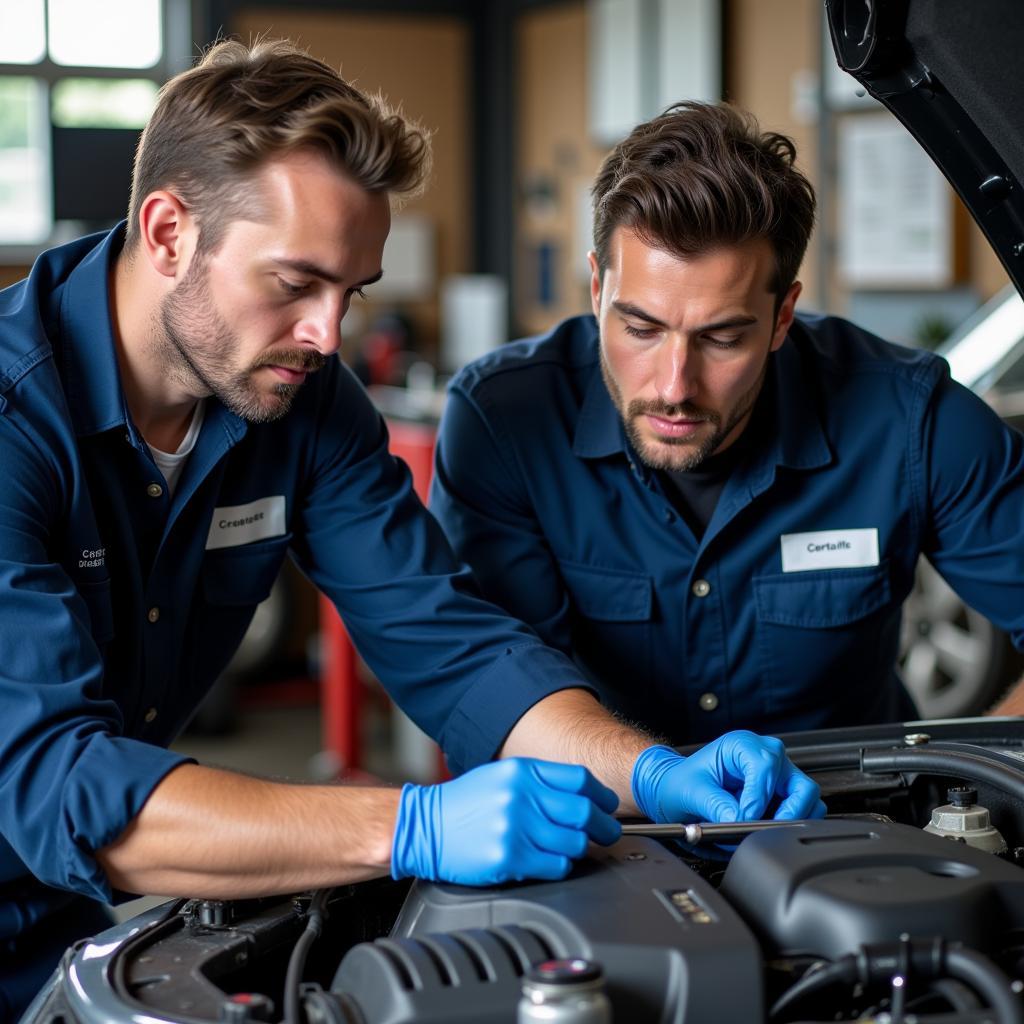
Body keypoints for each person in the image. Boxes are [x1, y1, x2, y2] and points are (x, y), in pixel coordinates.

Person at [0, 45, 823, 1016]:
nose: (326, 334)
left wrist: (650, 769)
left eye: (350, 290)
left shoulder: (303, 405)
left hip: (75, 923)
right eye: (295, 282)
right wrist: (411, 823)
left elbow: (455, 648)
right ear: (169, 230)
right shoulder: (17, 423)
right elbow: (67, 789)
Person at [431, 101, 1024, 748]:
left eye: (722, 337)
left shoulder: (908, 420)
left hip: (853, 827)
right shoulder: (503, 421)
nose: (674, 387)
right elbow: (491, 683)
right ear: (597, 289)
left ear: (782, 315)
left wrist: (966, 798)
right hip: (599, 823)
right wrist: (652, 781)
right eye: (641, 328)